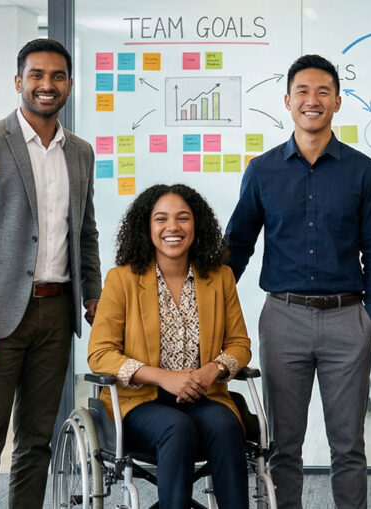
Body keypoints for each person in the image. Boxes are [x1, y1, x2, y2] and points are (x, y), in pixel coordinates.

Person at [225, 54, 371, 509]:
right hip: (283, 318)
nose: (312, 101)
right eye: (303, 91)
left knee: (348, 447)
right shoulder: (262, 170)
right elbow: (237, 244)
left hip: (347, 320)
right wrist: (209, 305)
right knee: (282, 446)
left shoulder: (362, 171)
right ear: (287, 101)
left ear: (337, 101)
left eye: (322, 92)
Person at [0, 38, 102, 508]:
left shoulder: (80, 152)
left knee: (37, 442)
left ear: (69, 85)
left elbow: (86, 231)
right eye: (36, 75)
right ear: (19, 82)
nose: (46, 85)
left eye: (57, 76)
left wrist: (93, 295)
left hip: (56, 316)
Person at [88, 184, 253, 509]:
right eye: (161, 219)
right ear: (146, 227)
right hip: (138, 403)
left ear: (197, 225)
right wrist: (163, 377)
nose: (172, 227)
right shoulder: (122, 280)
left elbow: (239, 344)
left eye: (183, 218)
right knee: (176, 428)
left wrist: (212, 371)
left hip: (203, 395)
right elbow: (100, 353)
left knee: (226, 425)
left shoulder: (220, 279)